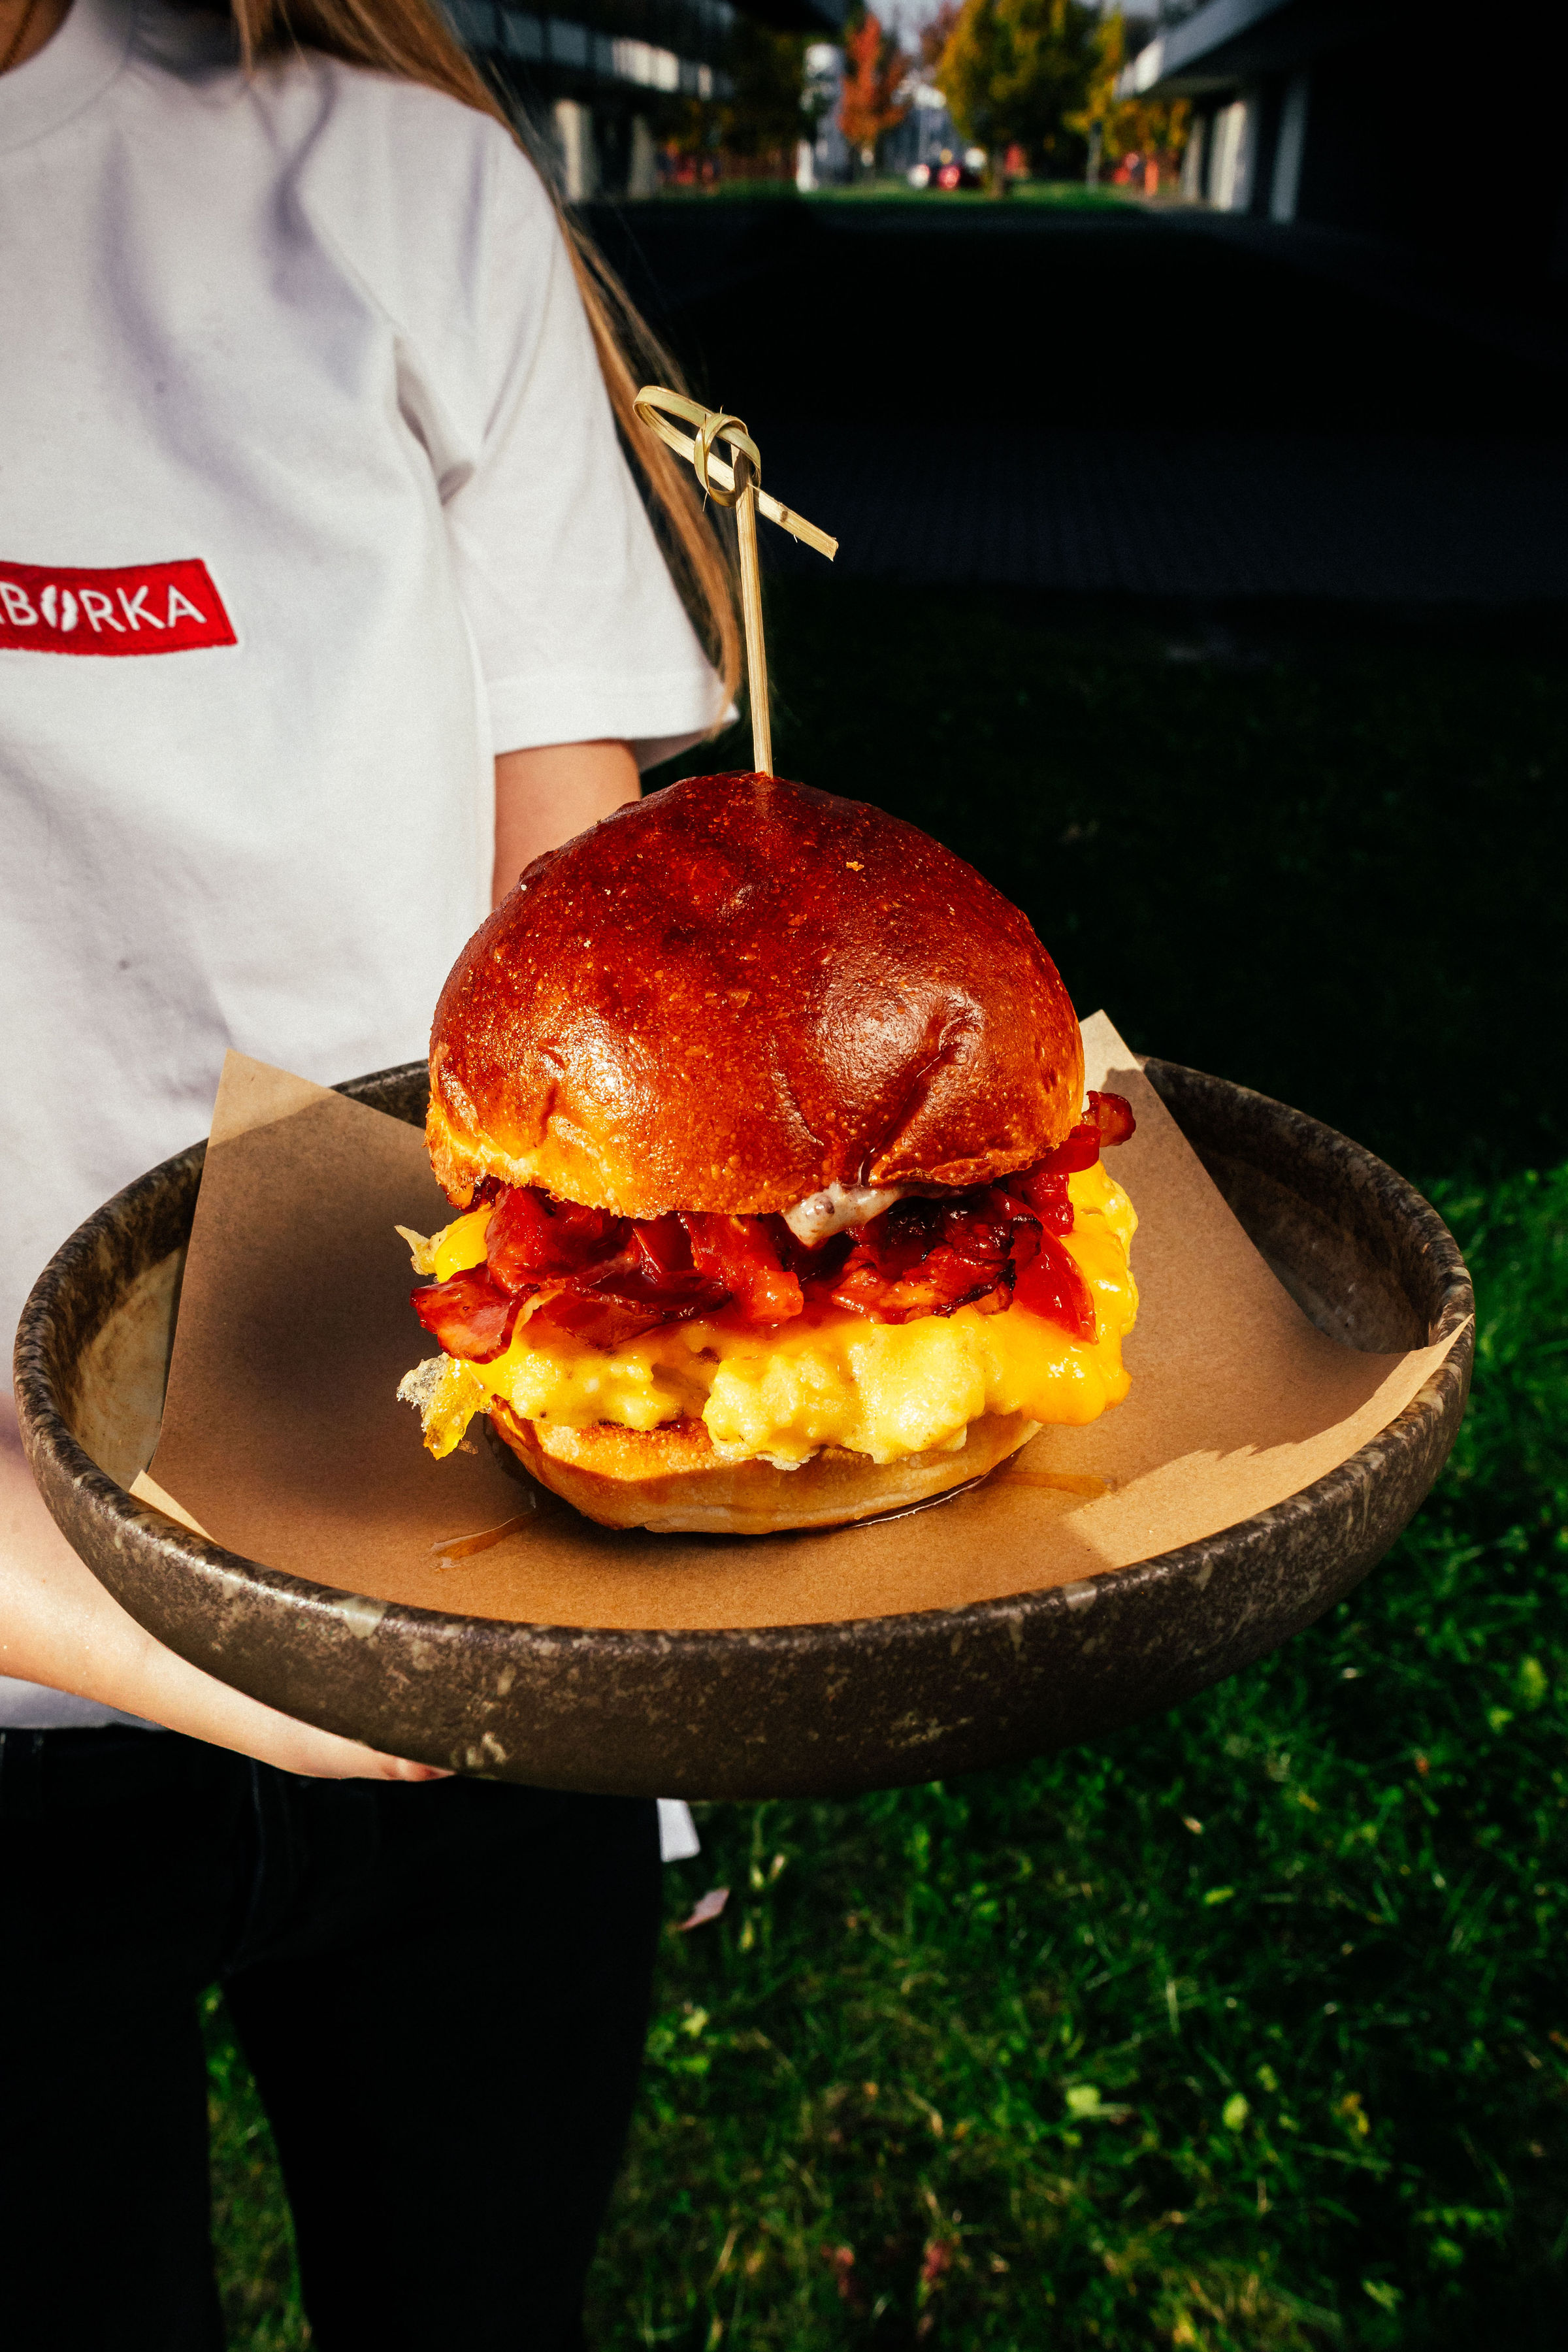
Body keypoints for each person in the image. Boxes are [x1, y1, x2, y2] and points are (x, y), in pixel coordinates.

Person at [0, 0, 738, 2342]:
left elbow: (573, 1006)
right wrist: (125, 1617)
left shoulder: (399, 187)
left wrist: (671, 1414)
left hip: (465, 1604)